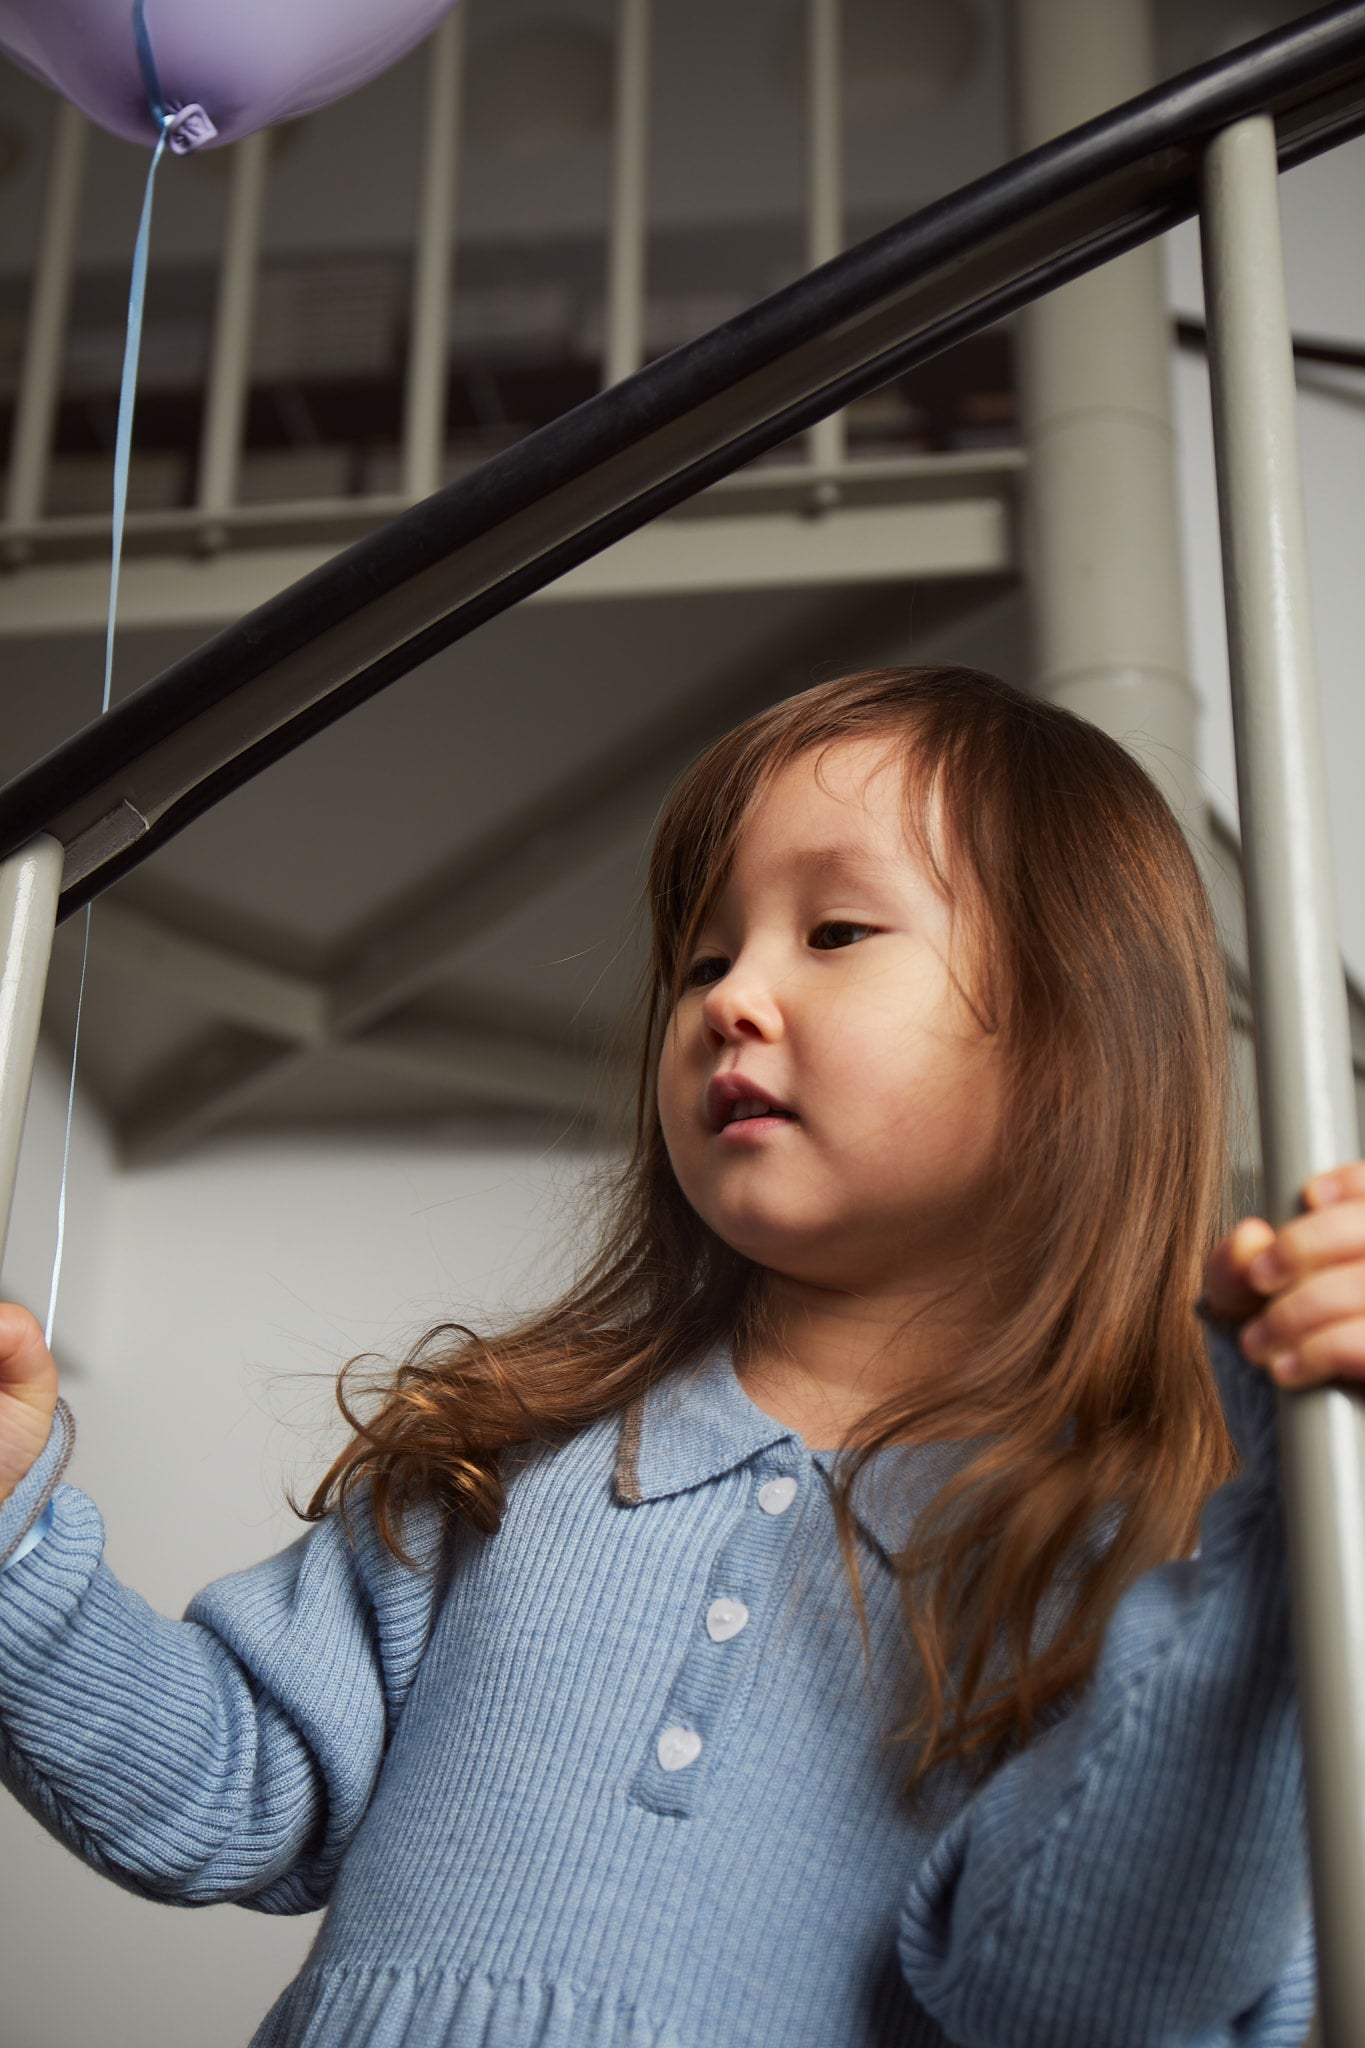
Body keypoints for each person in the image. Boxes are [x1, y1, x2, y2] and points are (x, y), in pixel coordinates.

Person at [0, 664, 1351, 2047]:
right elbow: (229, 1789)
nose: (729, 997)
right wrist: (10, 1538)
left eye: (832, 932)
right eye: (703, 956)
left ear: (1075, 1029)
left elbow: (1068, 2000)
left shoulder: (1158, 1552)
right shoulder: (501, 1456)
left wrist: (1279, 1579)